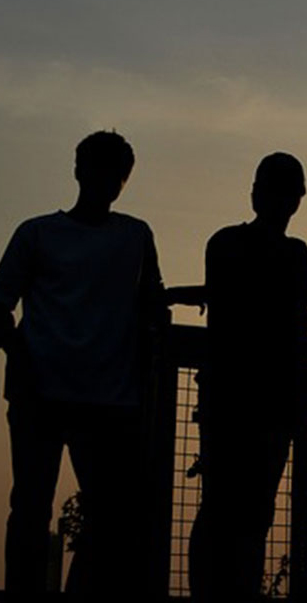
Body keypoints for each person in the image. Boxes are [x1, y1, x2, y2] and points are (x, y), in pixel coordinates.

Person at [0, 131, 167, 594]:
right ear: (78, 170)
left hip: (107, 399)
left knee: (101, 513)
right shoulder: (38, 233)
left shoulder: (135, 235)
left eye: (116, 175)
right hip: (53, 394)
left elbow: (152, 301)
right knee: (37, 507)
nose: (108, 182)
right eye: (102, 170)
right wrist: (21, 357)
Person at [188, 152, 307, 602]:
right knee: (249, 509)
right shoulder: (292, 252)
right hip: (266, 397)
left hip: (234, 394)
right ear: (296, 199)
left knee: (225, 506)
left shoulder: (223, 243)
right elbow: (297, 324)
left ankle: (219, 591)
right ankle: (238, 590)